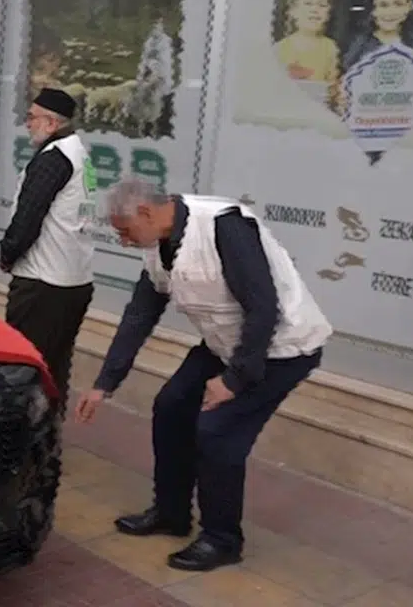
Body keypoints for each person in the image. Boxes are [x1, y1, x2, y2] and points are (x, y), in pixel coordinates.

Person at [75, 178, 331, 572]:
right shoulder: (158, 245)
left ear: (145, 212)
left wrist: (234, 380)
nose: (123, 241)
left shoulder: (223, 226)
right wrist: (104, 383)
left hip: (282, 348)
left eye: (124, 231)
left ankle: (222, 540)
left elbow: (264, 307)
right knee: (171, 406)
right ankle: (171, 513)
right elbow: (140, 315)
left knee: (218, 431)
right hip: (225, 343)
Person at [0, 87, 96, 398]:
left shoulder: (54, 159)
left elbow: (29, 216)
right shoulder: (79, 154)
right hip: (75, 281)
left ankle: (21, 426)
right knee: (55, 367)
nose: (27, 124)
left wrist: (8, 253)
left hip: (42, 283)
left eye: (32, 117)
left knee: (23, 368)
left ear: (51, 123)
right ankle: (50, 423)